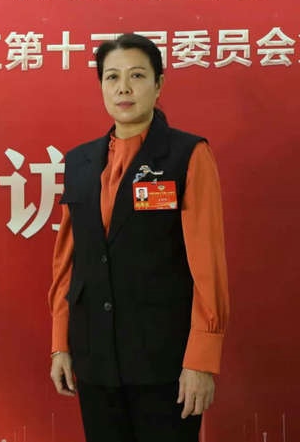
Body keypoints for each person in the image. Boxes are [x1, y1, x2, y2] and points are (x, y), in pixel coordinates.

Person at [47, 33, 230, 441]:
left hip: (165, 362)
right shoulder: (79, 162)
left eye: (137, 75)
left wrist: (201, 359)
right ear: (101, 86)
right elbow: (68, 263)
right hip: (95, 359)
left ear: (159, 84)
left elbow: (207, 263)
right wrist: (61, 343)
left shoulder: (187, 155)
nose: (124, 88)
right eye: (112, 77)